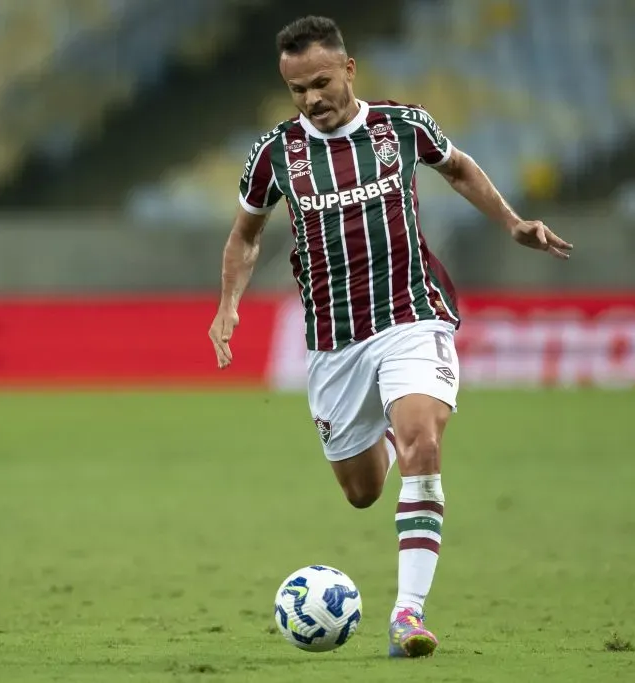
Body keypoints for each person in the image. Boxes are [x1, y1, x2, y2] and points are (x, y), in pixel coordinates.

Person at [207, 15, 572, 658]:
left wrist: (512, 222)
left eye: (321, 82)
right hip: (335, 340)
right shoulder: (274, 154)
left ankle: (408, 616)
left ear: (348, 69)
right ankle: (383, 429)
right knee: (363, 492)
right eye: (297, 89)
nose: (311, 99)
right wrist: (228, 304)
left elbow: (458, 168)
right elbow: (246, 234)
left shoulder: (402, 126)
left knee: (423, 443)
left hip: (412, 313)